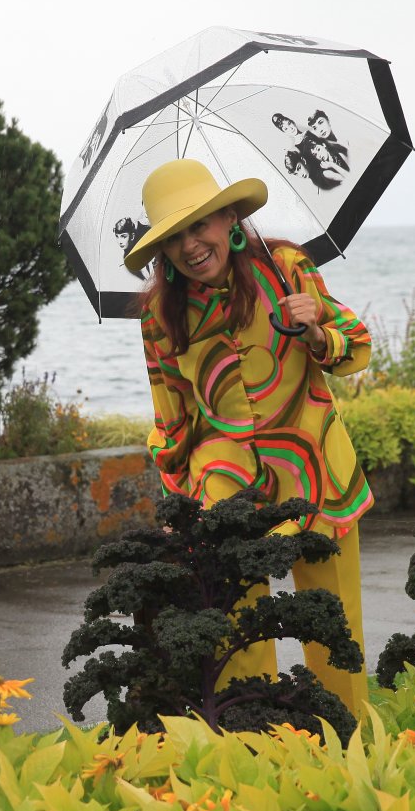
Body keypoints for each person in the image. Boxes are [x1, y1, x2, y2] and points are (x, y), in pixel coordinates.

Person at [124, 158, 373, 715]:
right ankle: (253, 746)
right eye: (174, 237)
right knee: (236, 641)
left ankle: (350, 740)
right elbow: (172, 416)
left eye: (199, 225)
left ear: (229, 217)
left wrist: (317, 330)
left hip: (315, 471)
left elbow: (355, 348)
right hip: (226, 487)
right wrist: (177, 504)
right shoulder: (160, 315)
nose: (190, 246)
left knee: (335, 629)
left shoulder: (286, 268)